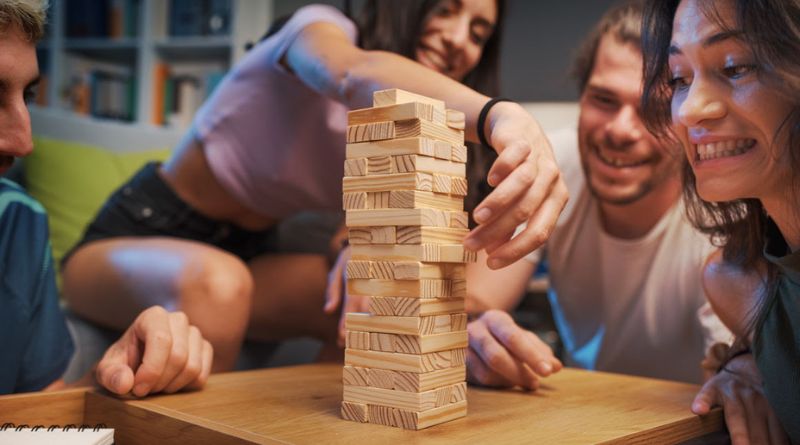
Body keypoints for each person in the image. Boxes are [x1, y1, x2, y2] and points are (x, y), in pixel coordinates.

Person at [61, 0, 568, 371]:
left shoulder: (403, 130)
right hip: (141, 229)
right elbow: (354, 75)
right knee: (218, 285)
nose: (460, 38)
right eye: (446, 10)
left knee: (372, 302)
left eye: (478, 32)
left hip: (250, 253)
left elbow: (351, 229)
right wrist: (497, 115)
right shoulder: (318, 30)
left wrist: (363, 247)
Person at [463, 0, 732, 390]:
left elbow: (731, 368)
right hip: (582, 411)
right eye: (604, 100)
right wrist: (479, 332)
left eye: (653, 110)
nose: (621, 131)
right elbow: (476, 298)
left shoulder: (721, 207)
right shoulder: (554, 164)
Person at [0, 0, 213, 396]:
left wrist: (120, 374)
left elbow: (35, 413)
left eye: (28, 97)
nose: (23, 142)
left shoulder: (18, 219)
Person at [641, 0, 799, 442]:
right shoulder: (738, 283)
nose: (689, 111)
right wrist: (745, 362)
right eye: (679, 78)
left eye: (735, 68)